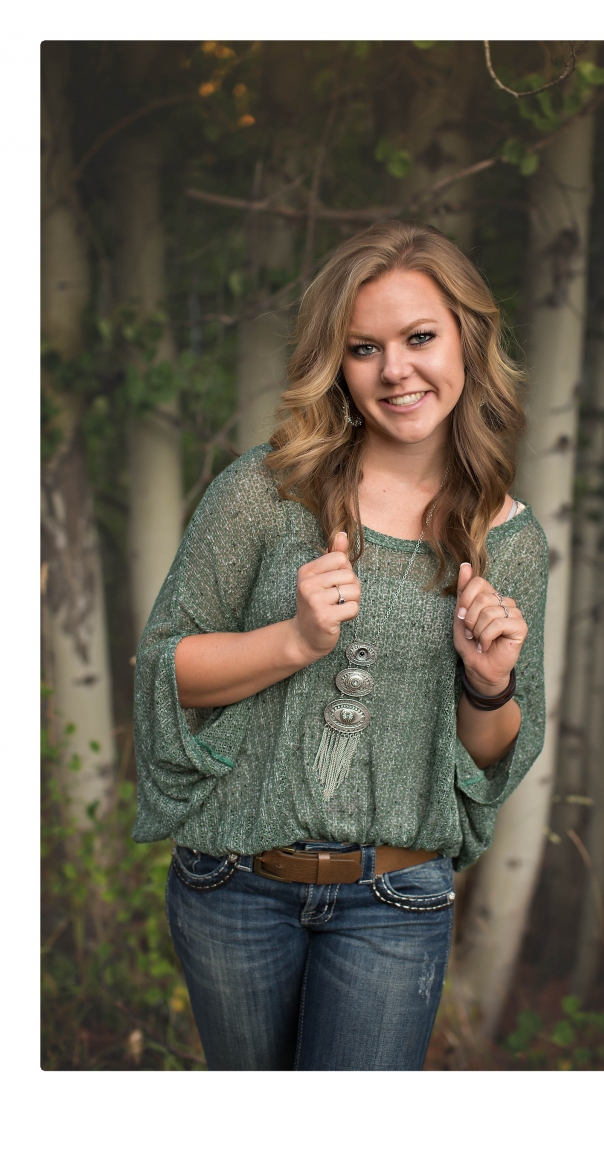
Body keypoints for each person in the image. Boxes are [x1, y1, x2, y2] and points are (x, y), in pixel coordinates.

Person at [132, 219, 548, 1071]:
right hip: (232, 888)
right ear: (339, 365)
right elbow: (165, 668)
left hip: (393, 902)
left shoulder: (508, 542)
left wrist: (488, 684)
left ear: (468, 340)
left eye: (420, 338)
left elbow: (492, 756)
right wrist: (293, 640)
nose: (396, 370)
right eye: (365, 348)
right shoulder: (266, 488)